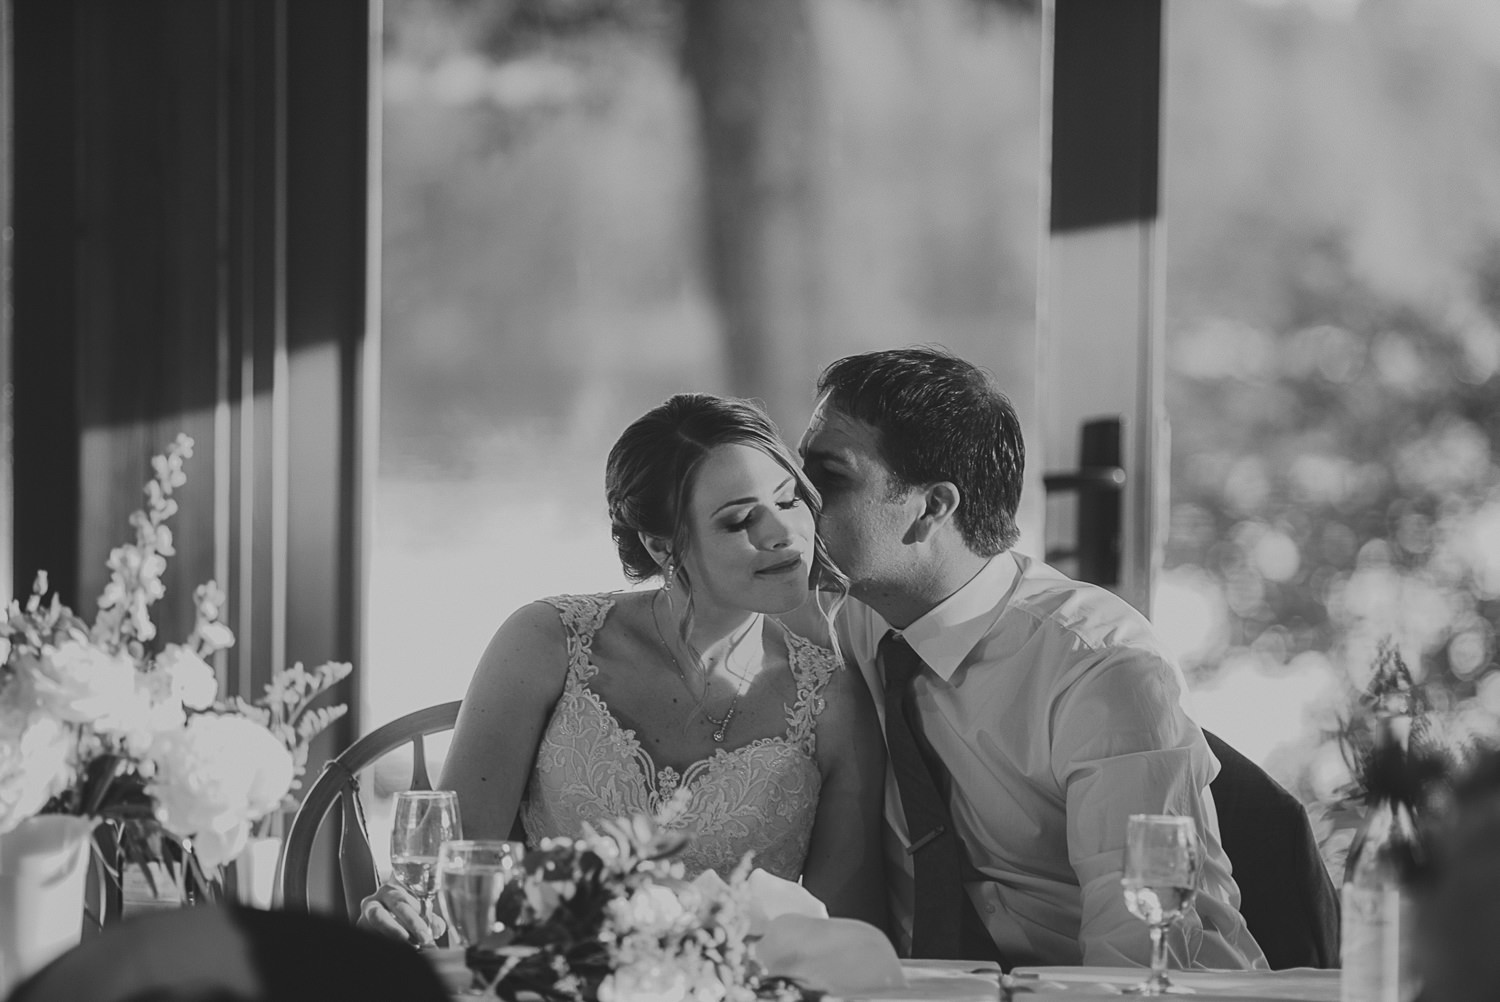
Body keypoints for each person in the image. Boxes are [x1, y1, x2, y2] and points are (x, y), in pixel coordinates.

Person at [796, 345, 1266, 970]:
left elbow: (1140, 947)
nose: (795, 499)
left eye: (828, 475)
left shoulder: (1102, 668)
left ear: (932, 508)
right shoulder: (849, 612)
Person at [361, 393, 888, 945]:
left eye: (789, 501)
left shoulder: (833, 700)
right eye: (739, 521)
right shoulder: (547, 643)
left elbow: (844, 941)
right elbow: (452, 877)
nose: (782, 534)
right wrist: (399, 911)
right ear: (663, 546)